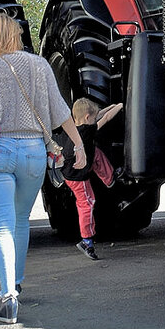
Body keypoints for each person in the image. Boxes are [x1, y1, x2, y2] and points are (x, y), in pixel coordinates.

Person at [0, 11, 84, 325]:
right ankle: (17, 281)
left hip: (0, 151)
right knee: (20, 221)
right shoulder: (40, 65)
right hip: (34, 153)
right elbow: (59, 110)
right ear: (16, 34)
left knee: (2, 224)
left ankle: (8, 297)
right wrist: (79, 144)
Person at [59, 98, 122, 261]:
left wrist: (111, 106)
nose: (95, 120)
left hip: (70, 171)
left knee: (95, 154)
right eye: (93, 119)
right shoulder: (86, 132)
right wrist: (121, 105)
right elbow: (106, 118)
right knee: (87, 203)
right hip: (78, 178)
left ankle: (109, 179)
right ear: (87, 118)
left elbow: (100, 114)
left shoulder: (76, 127)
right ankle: (86, 241)